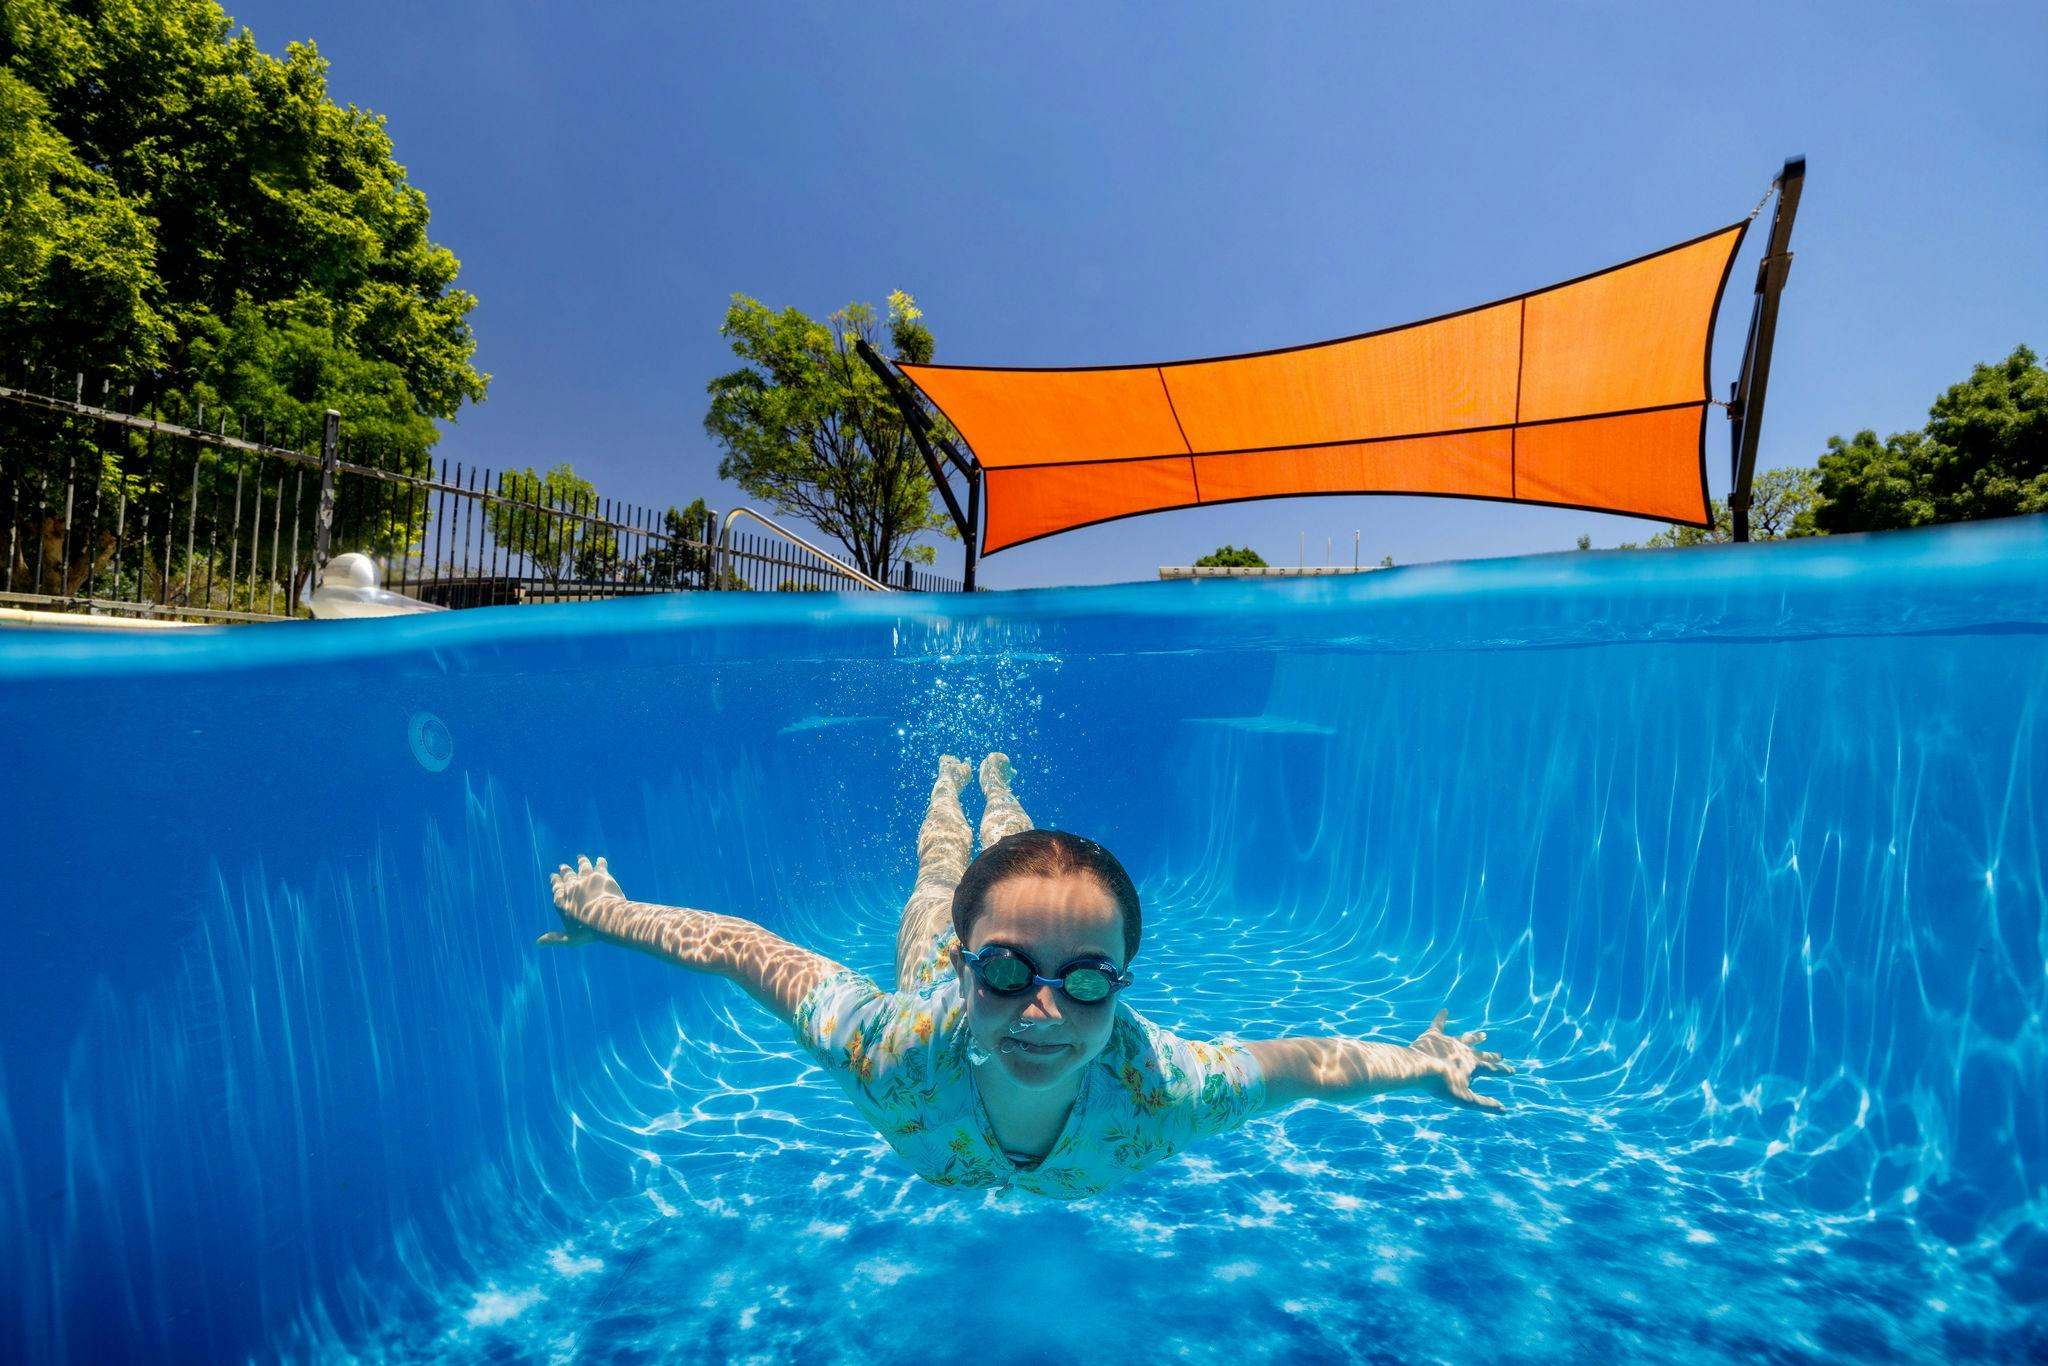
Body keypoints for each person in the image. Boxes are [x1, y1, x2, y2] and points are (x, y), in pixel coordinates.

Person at [542, 754, 1511, 1199]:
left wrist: (1423, 1064)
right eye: (1007, 970)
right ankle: (947, 783)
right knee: (941, 874)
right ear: (968, 966)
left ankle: (1000, 789)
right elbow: (739, 948)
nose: (1043, 1009)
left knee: (1014, 845)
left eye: (1085, 979)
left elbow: (1306, 1067)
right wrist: (606, 913)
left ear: (1122, 984)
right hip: (932, 961)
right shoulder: (888, 1053)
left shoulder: (1158, 1089)